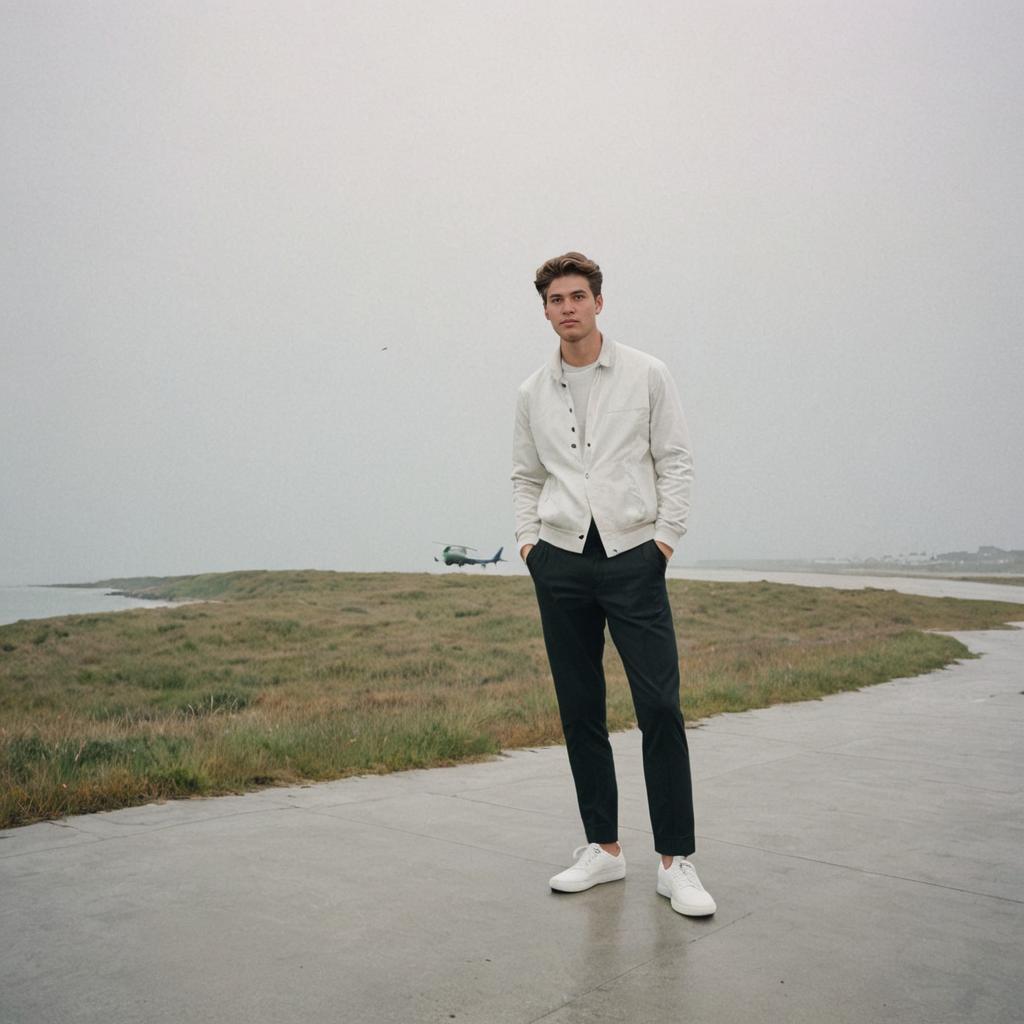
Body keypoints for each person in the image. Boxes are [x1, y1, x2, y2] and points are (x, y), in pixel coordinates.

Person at [511, 251, 715, 917]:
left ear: (598, 302)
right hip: (561, 563)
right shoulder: (530, 394)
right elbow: (526, 476)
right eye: (555, 299)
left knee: (659, 707)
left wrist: (664, 541)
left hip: (634, 556)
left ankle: (675, 862)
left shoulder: (647, 374)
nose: (567, 307)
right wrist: (529, 545)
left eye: (578, 295)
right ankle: (602, 849)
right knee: (580, 711)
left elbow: (676, 459)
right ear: (544, 311)